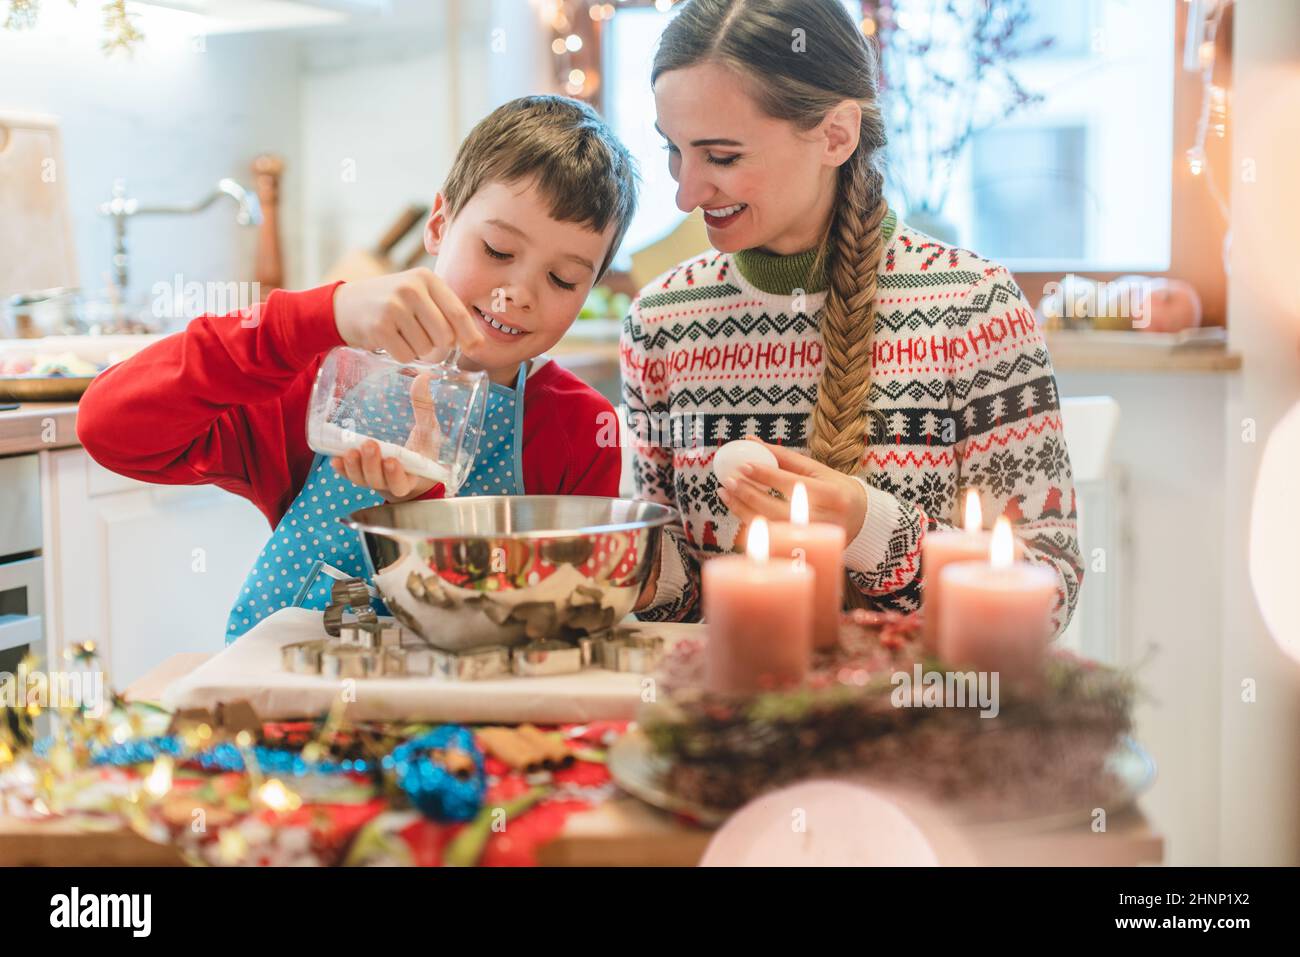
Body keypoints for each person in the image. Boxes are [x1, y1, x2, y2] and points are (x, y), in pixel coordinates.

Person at [78, 95, 638, 641]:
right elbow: (110, 428)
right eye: (496, 250)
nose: (518, 293)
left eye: (563, 279)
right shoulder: (325, 381)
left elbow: (564, 626)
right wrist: (319, 314)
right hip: (288, 712)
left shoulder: (577, 430)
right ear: (439, 225)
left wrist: (419, 513)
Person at [624, 0, 1083, 635]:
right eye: (673, 150)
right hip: (737, 721)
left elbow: (1047, 593)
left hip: (919, 720)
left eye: (722, 157)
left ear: (836, 135)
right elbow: (678, 604)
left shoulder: (974, 307)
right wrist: (631, 569)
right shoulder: (660, 322)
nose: (685, 192)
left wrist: (868, 529)